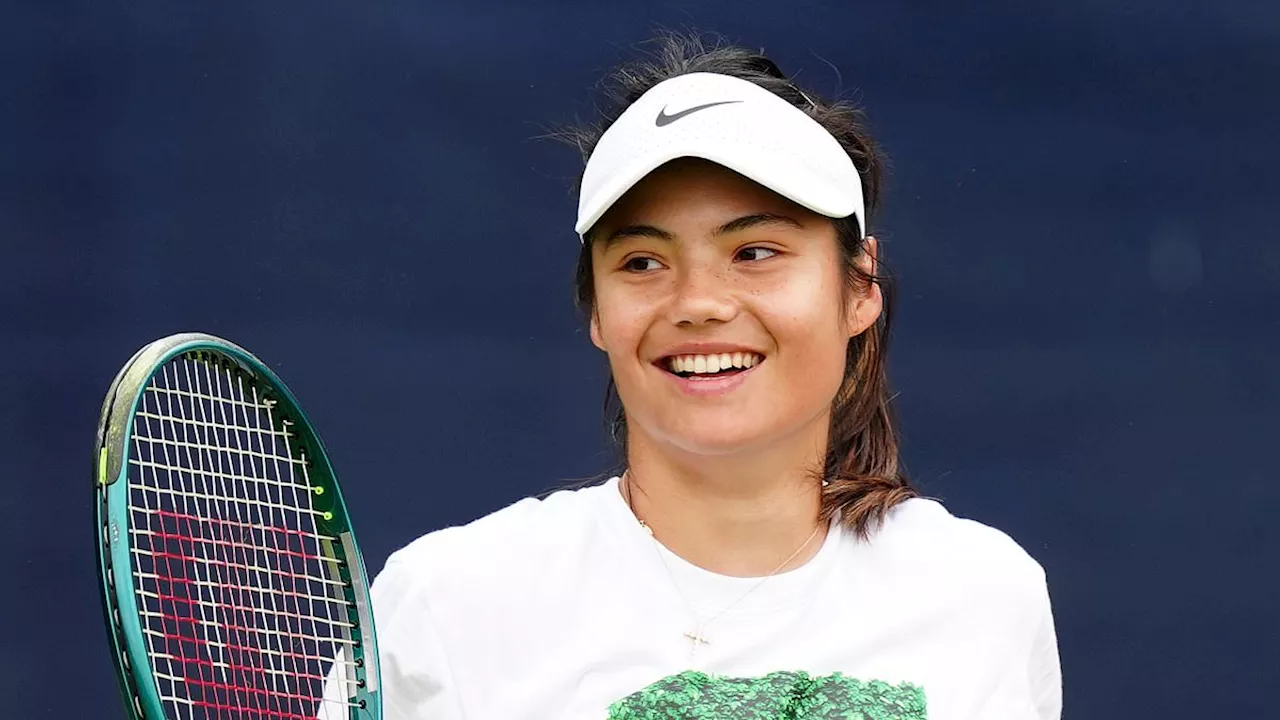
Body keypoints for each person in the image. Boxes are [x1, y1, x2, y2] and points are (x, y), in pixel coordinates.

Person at [368, 33, 1061, 719]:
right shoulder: (447, 607)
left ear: (859, 287)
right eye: (642, 262)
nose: (698, 303)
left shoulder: (985, 598)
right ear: (599, 313)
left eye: (754, 252)